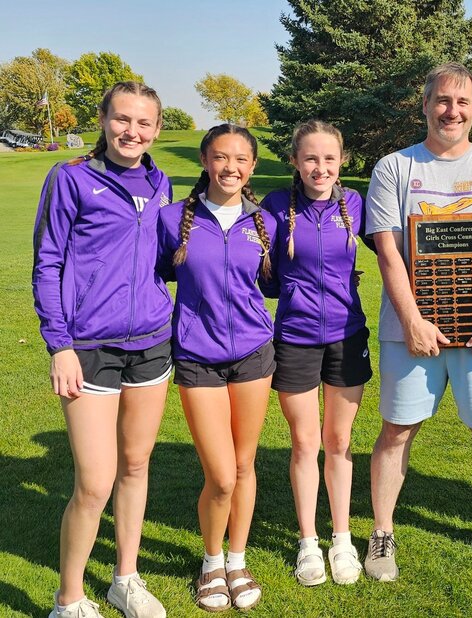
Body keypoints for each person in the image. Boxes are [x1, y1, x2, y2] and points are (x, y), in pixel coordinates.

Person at [363, 62, 472, 580]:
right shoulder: (394, 167)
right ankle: (382, 533)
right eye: (441, 100)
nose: (451, 111)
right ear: (426, 105)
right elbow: (389, 255)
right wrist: (412, 320)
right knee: (397, 430)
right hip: (412, 329)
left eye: (461, 102)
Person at [33, 81, 171, 618]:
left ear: (156, 129)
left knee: (135, 465)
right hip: (88, 346)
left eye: (143, 122)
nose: (131, 131)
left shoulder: (161, 182)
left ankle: (125, 579)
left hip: (152, 343)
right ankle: (68, 598)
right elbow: (47, 264)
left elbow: (161, 257)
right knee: (94, 482)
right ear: (103, 118)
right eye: (122, 119)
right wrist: (59, 343)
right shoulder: (71, 178)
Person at [157, 124, 275, 611]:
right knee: (221, 475)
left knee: (245, 465)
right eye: (221, 157)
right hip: (196, 356)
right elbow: (152, 278)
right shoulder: (171, 220)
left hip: (254, 354)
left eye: (241, 159)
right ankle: (210, 560)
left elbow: (279, 281)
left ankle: (237, 558)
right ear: (205, 160)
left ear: (251, 166)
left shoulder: (265, 221)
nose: (231, 167)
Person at [260, 120, 372, 586]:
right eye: (310, 158)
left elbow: (394, 251)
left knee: (340, 442)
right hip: (296, 337)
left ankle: (342, 539)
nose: (319, 167)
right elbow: (259, 271)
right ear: (295, 161)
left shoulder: (355, 204)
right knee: (306, 442)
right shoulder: (273, 206)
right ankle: (309, 542)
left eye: (329, 158)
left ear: (341, 160)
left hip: (347, 336)